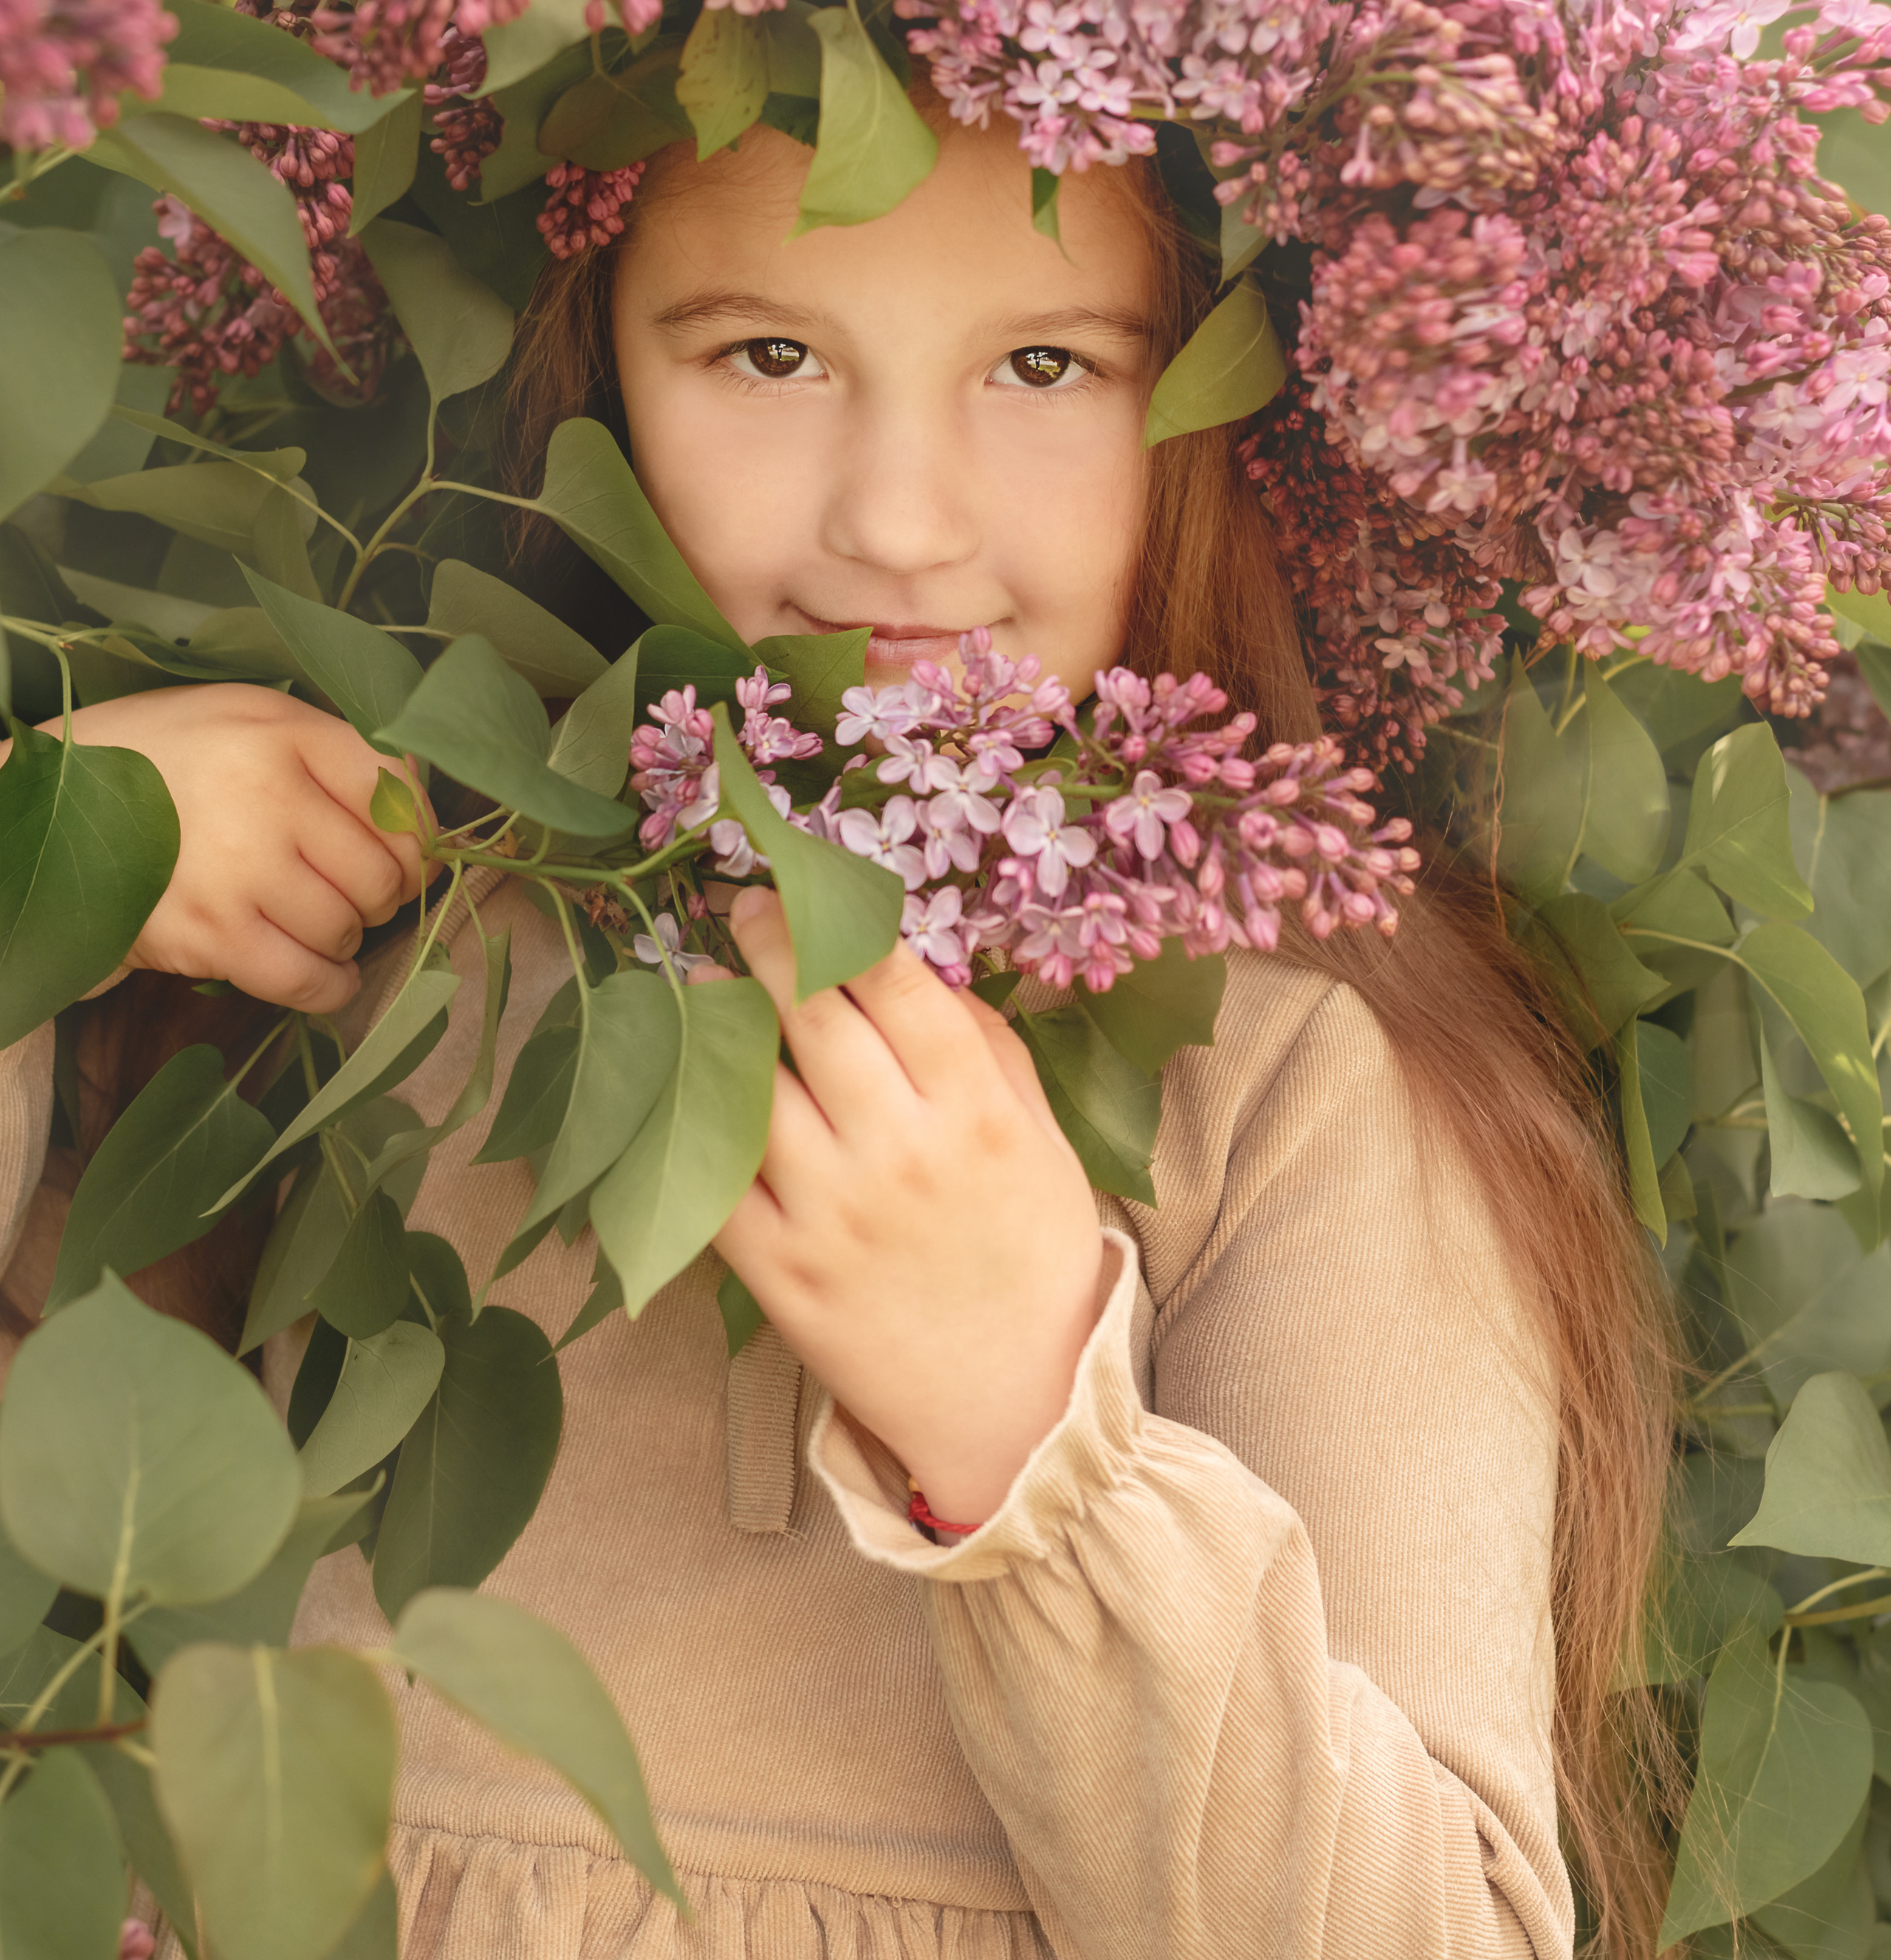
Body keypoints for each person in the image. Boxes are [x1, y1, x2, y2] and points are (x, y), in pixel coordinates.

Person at [0, 98, 1672, 1959]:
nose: (895, 517)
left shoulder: (1292, 1071)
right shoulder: (413, 930)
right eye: (768, 353)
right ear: (591, 373)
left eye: (1044, 363)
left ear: (1217, 415)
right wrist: (50, 872)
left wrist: (1032, 1428)